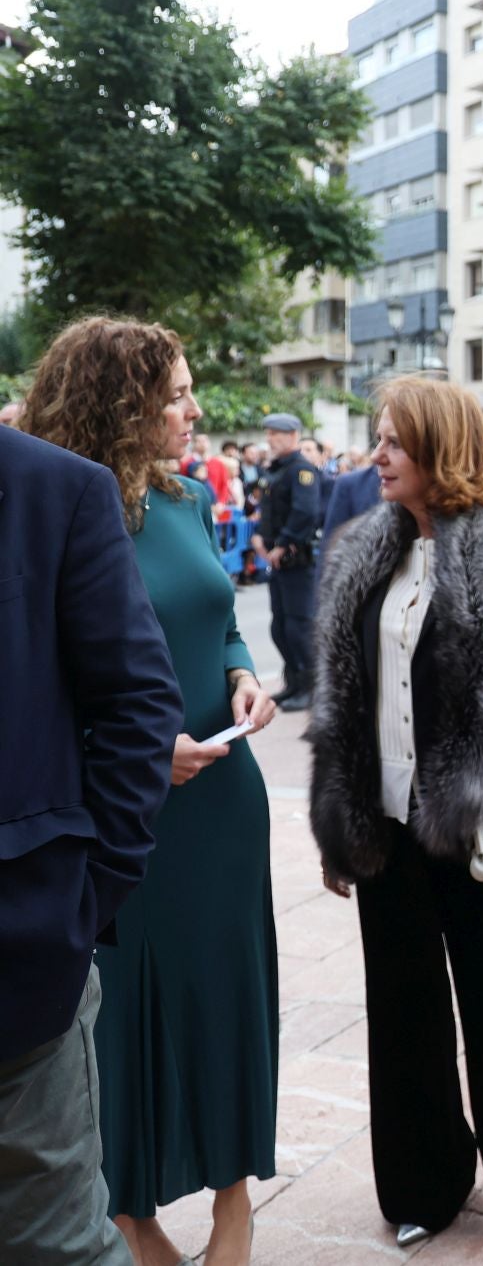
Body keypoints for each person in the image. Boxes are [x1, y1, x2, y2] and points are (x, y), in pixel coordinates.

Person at [20, 319, 280, 1266]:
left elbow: (218, 620)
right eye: (174, 394)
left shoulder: (186, 499)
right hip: (123, 813)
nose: (193, 408)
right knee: (121, 1019)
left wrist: (246, 670)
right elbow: (36, 676)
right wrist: (128, 752)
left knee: (226, 998)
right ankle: (132, 1217)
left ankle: (235, 1200)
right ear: (116, 402)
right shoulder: (54, 510)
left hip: (223, 804)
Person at [306, 377, 483, 1249]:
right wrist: (333, 822)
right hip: (381, 817)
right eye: (377, 441)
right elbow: (341, 701)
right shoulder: (360, 549)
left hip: (471, 812)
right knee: (403, 1003)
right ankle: (425, 1181)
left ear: (438, 448)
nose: (375, 456)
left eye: (393, 442)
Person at [0, 412, 180, 1266]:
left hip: (19, 963)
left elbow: (138, 702)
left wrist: (84, 892)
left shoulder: (54, 489)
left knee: (56, 1246)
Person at [252, 412, 321, 710]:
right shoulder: (275, 470)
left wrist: (282, 544)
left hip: (295, 561)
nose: (270, 439)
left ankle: (311, 687)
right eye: (268, 434)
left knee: (298, 626)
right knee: (280, 626)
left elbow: (305, 513)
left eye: (276, 434)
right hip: (277, 560)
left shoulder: (301, 470)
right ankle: (293, 683)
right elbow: (267, 511)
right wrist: (258, 537)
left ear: (293, 435)